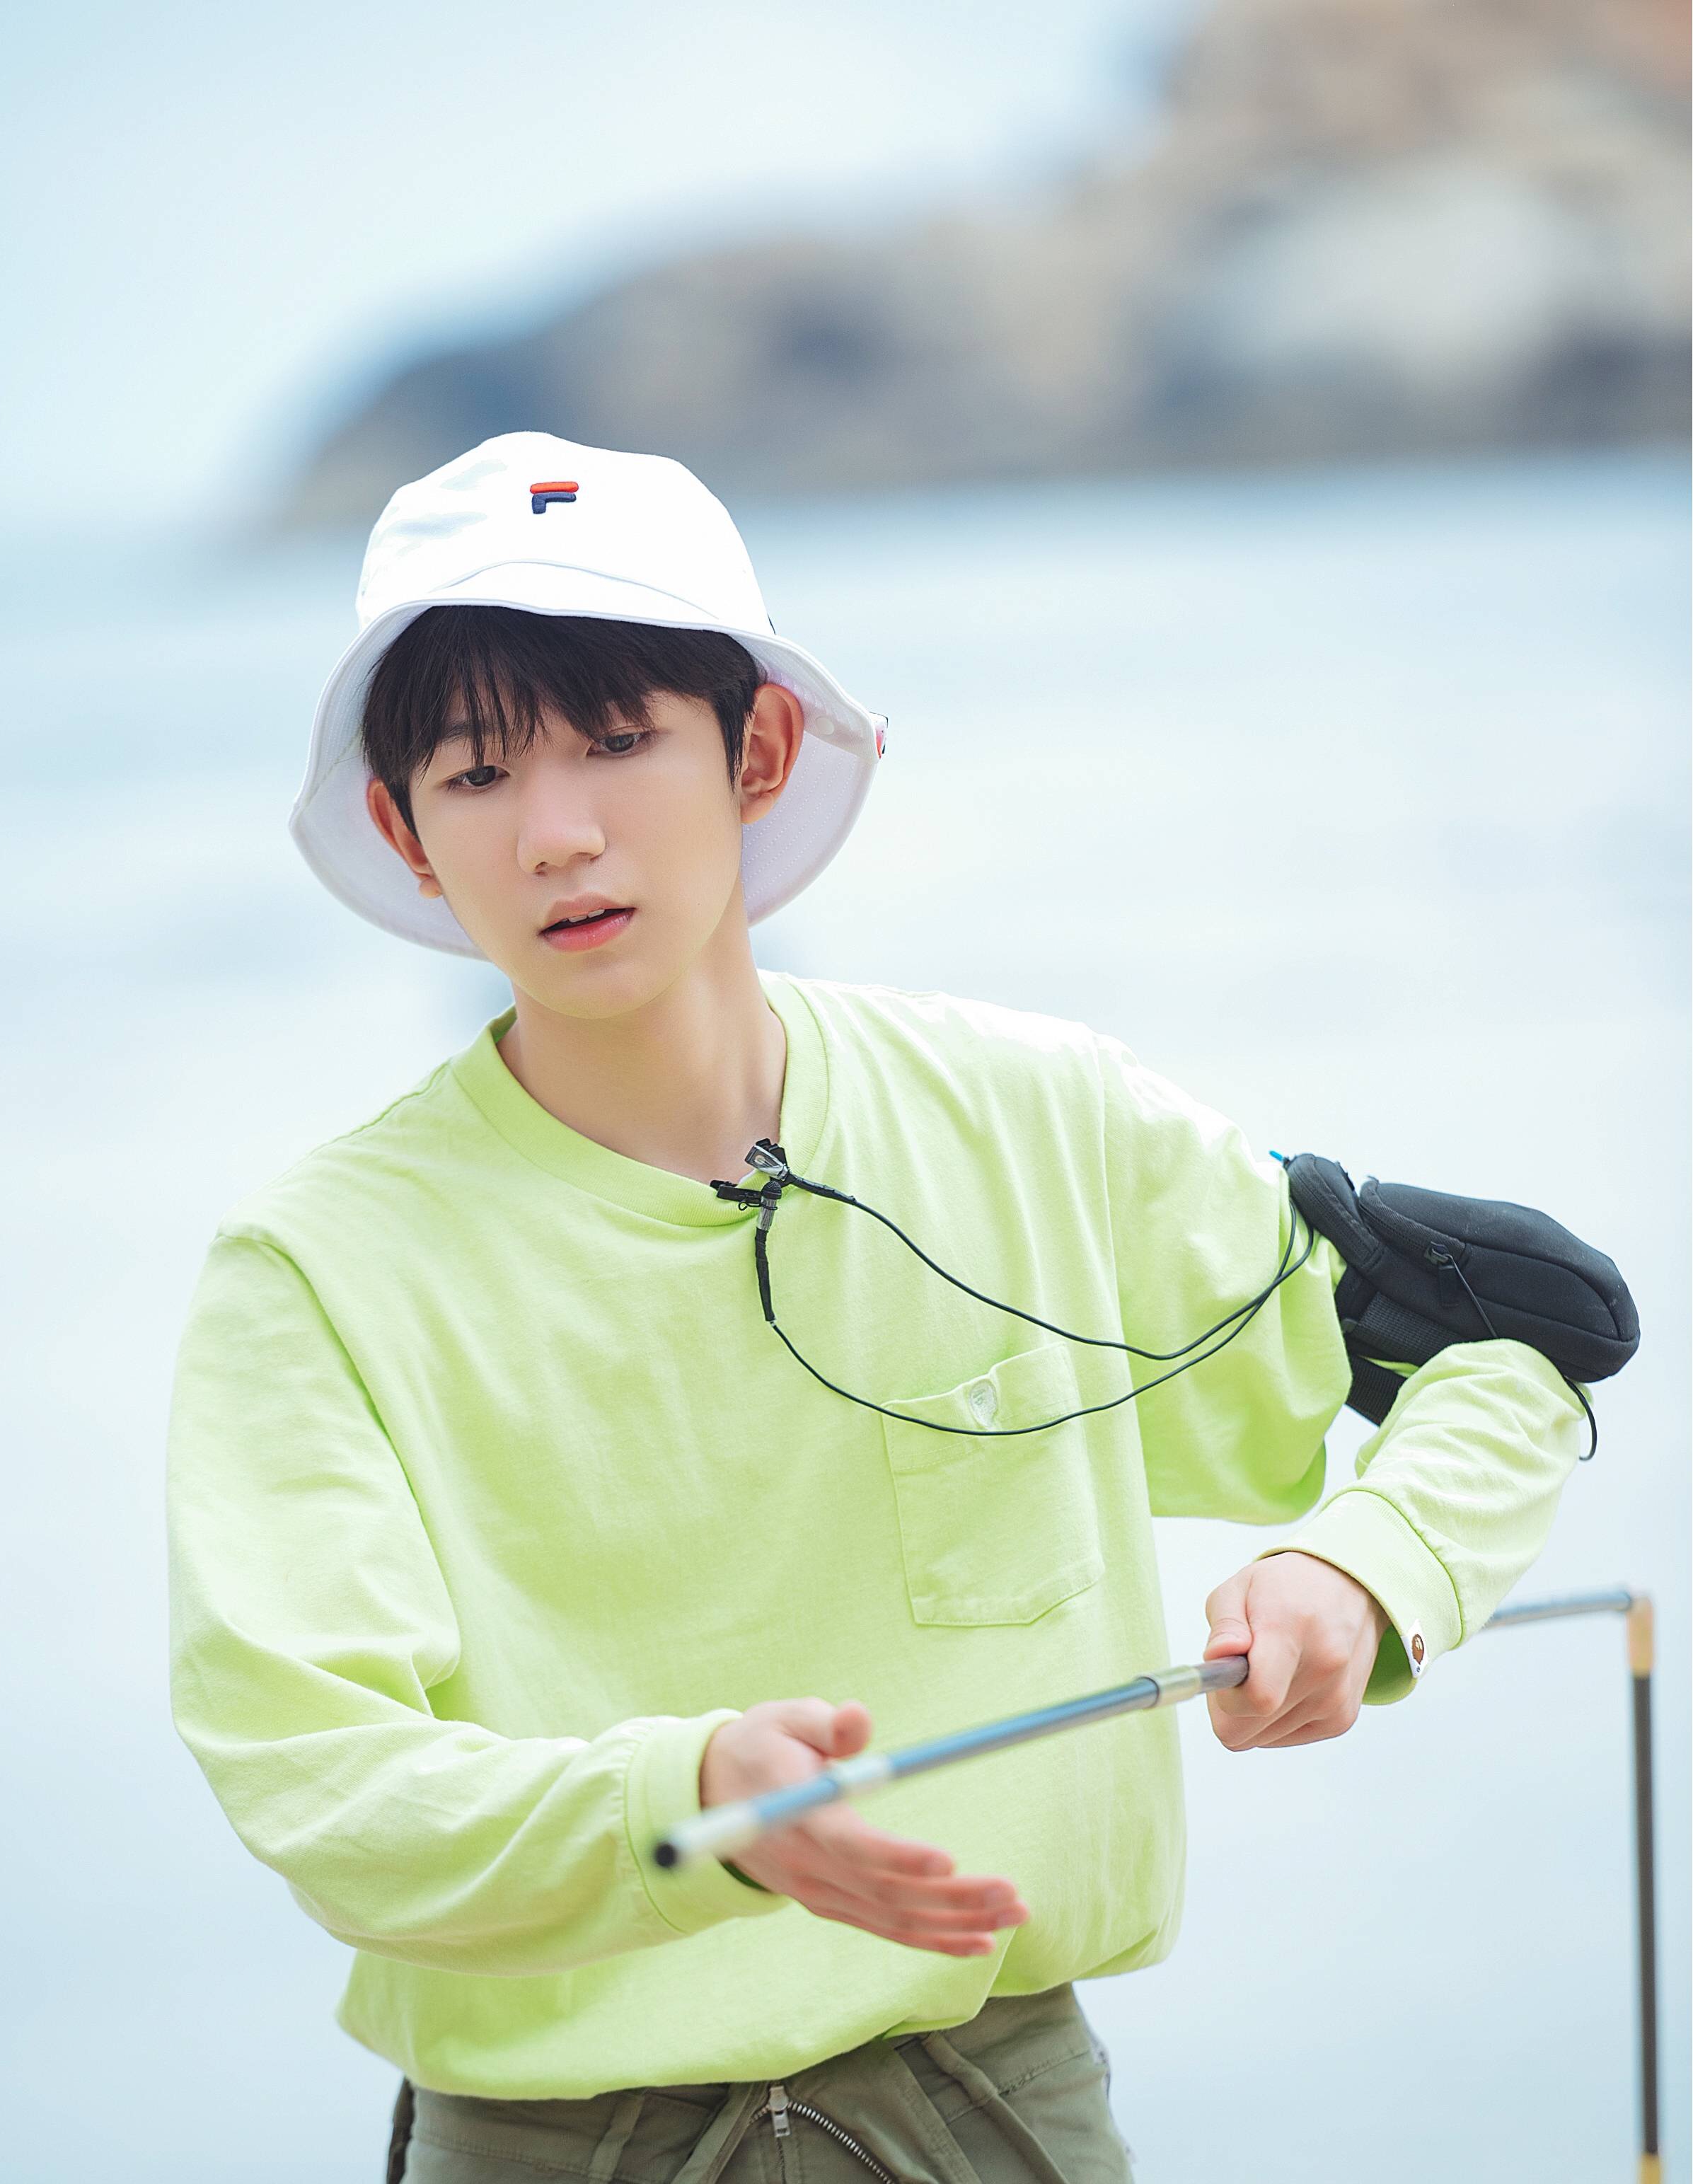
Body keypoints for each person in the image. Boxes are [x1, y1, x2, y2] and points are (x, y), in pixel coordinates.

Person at [165, 432, 1588, 2183]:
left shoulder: (1029, 1118)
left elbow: (1513, 1349)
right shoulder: (318, 1264)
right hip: (548, 2146)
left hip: (993, 2115)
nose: (557, 832)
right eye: (476, 773)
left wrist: (1366, 1566)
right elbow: (320, 1784)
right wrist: (687, 1798)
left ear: (756, 750)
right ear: (403, 828)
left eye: (616, 740)